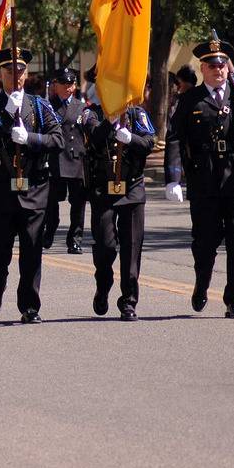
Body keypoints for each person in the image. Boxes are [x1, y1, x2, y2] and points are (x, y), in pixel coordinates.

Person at [164, 35, 234, 319]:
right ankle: (202, 283)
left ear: (227, 67)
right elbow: (175, 139)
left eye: (222, 65)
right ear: (203, 69)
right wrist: (173, 178)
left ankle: (233, 300)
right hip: (205, 182)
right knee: (204, 243)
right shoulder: (190, 100)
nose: (218, 70)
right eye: (212, 66)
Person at [0, 47, 64, 323]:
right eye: (10, 71)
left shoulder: (39, 105)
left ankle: (29, 305)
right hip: (0, 189)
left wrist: (32, 139)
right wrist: (5, 115)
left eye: (21, 70)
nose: (16, 76)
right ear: (0, 75)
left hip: (34, 188)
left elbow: (58, 139)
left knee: (32, 248)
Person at [81, 103, 155, 320]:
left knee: (131, 247)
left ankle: (129, 301)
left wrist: (131, 138)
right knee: (105, 245)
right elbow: (94, 135)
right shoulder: (91, 112)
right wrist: (111, 119)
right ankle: (103, 285)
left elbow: (149, 142)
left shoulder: (136, 113)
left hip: (131, 187)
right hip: (103, 188)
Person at [42, 67, 88, 255]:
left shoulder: (81, 106)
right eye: (65, 84)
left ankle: (75, 240)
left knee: (78, 204)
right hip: (55, 160)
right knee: (51, 202)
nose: (69, 88)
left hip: (75, 160)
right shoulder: (47, 105)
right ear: (56, 86)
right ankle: (50, 229)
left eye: (72, 84)